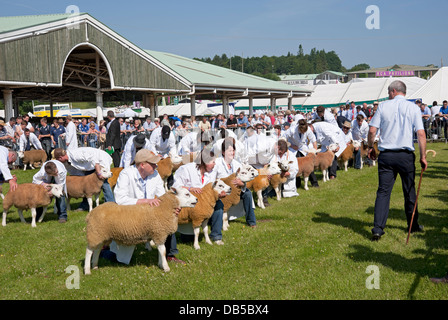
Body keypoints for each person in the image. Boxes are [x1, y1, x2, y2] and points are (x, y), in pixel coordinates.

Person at [367, 80, 427, 241]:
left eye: (388, 92)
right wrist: (423, 156)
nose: (388, 94)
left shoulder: (383, 106)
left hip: (386, 155)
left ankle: (378, 228)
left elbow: (372, 130)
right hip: (405, 155)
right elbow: (421, 134)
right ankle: (413, 225)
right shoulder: (413, 107)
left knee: (383, 192)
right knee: (409, 191)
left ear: (394, 91)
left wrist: (370, 146)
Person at [104, 149, 185, 265]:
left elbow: (162, 196)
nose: (156, 166)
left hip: (149, 215)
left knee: (167, 221)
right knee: (119, 260)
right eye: (152, 164)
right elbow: (120, 199)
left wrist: (172, 208)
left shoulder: (155, 174)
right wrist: (145, 201)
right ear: (142, 165)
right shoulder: (126, 174)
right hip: (130, 216)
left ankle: (170, 255)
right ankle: (106, 250)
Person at [173, 148, 227, 244]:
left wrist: (219, 194)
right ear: (205, 162)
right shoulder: (186, 169)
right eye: (212, 162)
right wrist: (190, 189)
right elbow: (175, 186)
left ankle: (216, 236)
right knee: (186, 239)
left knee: (219, 205)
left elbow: (214, 187)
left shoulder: (212, 172)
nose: (215, 164)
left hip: (205, 203)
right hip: (190, 205)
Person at [213, 138, 257, 227]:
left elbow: (243, 179)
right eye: (229, 151)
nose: (232, 153)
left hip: (235, 191)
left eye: (233, 150)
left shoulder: (237, 164)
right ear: (223, 152)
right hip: (222, 191)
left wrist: (242, 184)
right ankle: (216, 219)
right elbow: (212, 180)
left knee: (248, 193)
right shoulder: (217, 163)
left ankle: (251, 221)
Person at [283, 119, 319, 188]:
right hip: (293, 149)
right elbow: (283, 138)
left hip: (303, 148)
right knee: (295, 166)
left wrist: (315, 151)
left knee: (309, 166)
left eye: (304, 132)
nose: (303, 133)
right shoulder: (292, 130)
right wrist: (291, 145)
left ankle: (314, 183)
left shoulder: (308, 129)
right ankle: (297, 184)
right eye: (302, 131)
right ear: (299, 128)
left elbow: (313, 140)